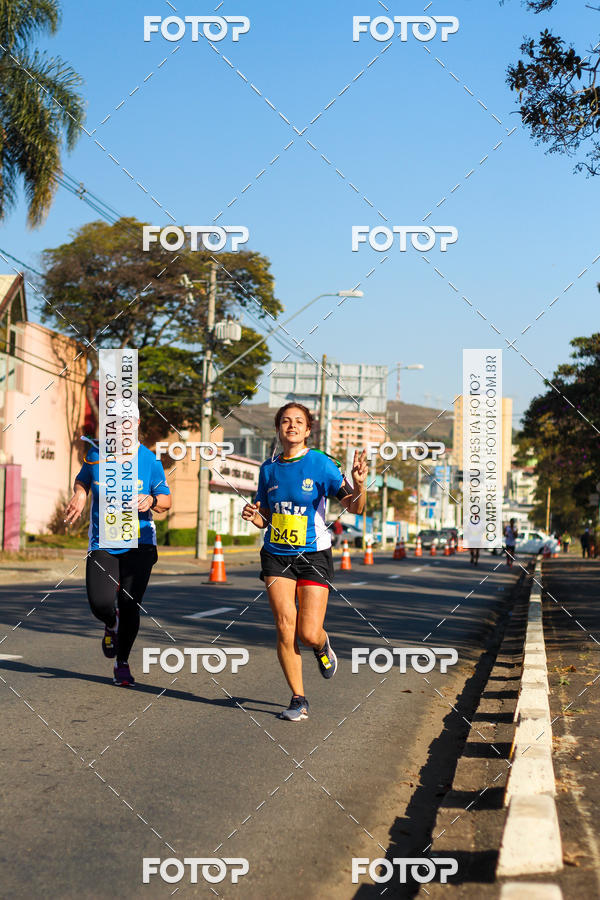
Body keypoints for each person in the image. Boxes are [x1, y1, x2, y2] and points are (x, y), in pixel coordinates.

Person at [242, 402, 367, 722]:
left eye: (299, 421)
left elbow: (355, 508)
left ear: (308, 430)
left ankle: (322, 644)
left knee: (308, 633)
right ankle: (298, 698)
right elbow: (264, 517)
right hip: (276, 554)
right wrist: (255, 517)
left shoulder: (322, 464)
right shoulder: (268, 469)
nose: (292, 426)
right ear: (278, 428)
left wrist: (359, 483)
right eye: (285, 421)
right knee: (285, 626)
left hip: (313, 555)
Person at [64, 402, 172, 686]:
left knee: (130, 604)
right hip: (104, 541)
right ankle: (110, 623)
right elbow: (82, 481)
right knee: (100, 602)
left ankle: (122, 662)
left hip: (140, 543)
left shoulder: (148, 460)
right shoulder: (96, 455)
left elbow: (166, 499)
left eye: (126, 421)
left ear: (135, 424)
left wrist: (151, 500)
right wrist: (80, 495)